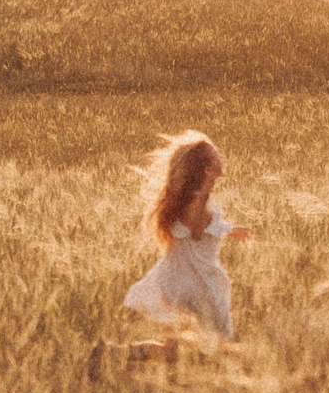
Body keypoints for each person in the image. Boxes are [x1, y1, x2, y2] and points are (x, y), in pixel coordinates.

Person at [90, 131, 254, 375]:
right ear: (205, 170)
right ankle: (244, 377)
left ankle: (112, 353)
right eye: (215, 161)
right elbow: (197, 232)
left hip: (177, 282)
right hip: (196, 287)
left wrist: (230, 229)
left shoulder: (189, 201)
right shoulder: (195, 202)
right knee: (220, 343)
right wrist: (205, 200)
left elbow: (204, 229)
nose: (221, 166)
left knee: (172, 352)